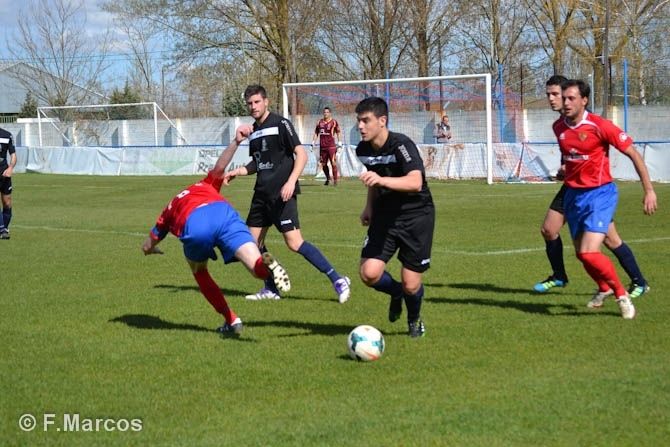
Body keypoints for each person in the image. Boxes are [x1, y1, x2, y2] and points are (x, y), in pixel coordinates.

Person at [141, 126, 291, 335]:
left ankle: (232, 319)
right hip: (225, 214)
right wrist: (236, 142)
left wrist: (150, 250)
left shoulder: (169, 208)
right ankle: (266, 263)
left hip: (195, 222)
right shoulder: (205, 185)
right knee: (255, 267)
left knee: (200, 271)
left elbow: (148, 244)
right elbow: (220, 167)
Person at [223, 85, 351, 303]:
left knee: (294, 243)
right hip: (261, 195)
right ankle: (271, 288)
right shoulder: (253, 132)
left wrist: (291, 182)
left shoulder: (281, 124)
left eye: (257, 102)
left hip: (282, 193)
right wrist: (239, 171)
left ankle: (338, 280)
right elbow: (257, 162)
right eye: (250, 103)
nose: (253, 106)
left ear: (266, 102)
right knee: (252, 244)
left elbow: (301, 154)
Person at [534, 75, 651, 300]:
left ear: (579, 99)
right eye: (549, 95)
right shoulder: (559, 126)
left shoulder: (596, 125)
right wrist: (564, 167)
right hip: (572, 188)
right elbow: (570, 152)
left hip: (595, 190)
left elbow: (630, 152)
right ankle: (561, 276)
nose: (553, 99)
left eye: (556, 94)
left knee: (608, 241)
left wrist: (649, 190)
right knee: (550, 230)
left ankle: (636, 281)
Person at [354, 97, 435, 337]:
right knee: (369, 273)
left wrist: (381, 180)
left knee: (411, 283)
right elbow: (374, 179)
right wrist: (369, 207)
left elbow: (415, 182)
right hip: (385, 216)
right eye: (358, 121)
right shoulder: (363, 150)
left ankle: (414, 319)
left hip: (416, 216)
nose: (360, 126)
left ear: (382, 121)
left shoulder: (401, 145)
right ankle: (395, 292)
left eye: (365, 121)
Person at [312, 107, 343, 186]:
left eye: (327, 112)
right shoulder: (319, 122)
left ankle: (335, 181)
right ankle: (328, 178)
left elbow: (338, 132)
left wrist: (339, 142)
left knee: (333, 163)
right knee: (323, 164)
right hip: (322, 147)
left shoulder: (334, 122)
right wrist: (313, 142)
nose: (325, 113)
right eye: (324, 112)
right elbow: (316, 132)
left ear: (330, 113)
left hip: (331, 146)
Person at [0, 127, 16, 240]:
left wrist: (10, 168)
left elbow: (13, 155)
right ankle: (2, 230)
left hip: (4, 173)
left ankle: (4, 228)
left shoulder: (7, 135)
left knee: (7, 203)